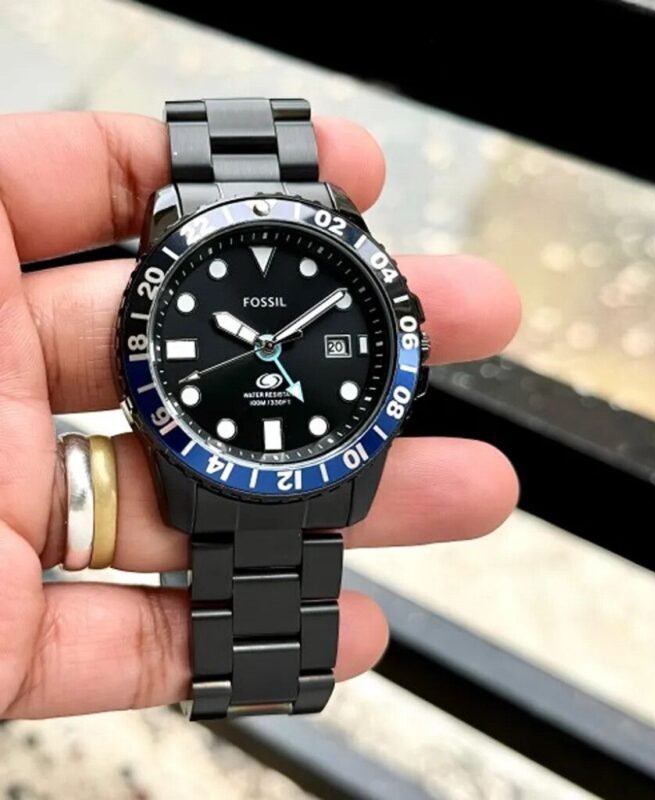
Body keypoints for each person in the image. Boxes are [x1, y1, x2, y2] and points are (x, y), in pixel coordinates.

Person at [0, 110, 521, 718]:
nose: (267, 347)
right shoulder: (183, 219)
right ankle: (250, 683)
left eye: (271, 343)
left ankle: (252, 684)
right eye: (259, 342)